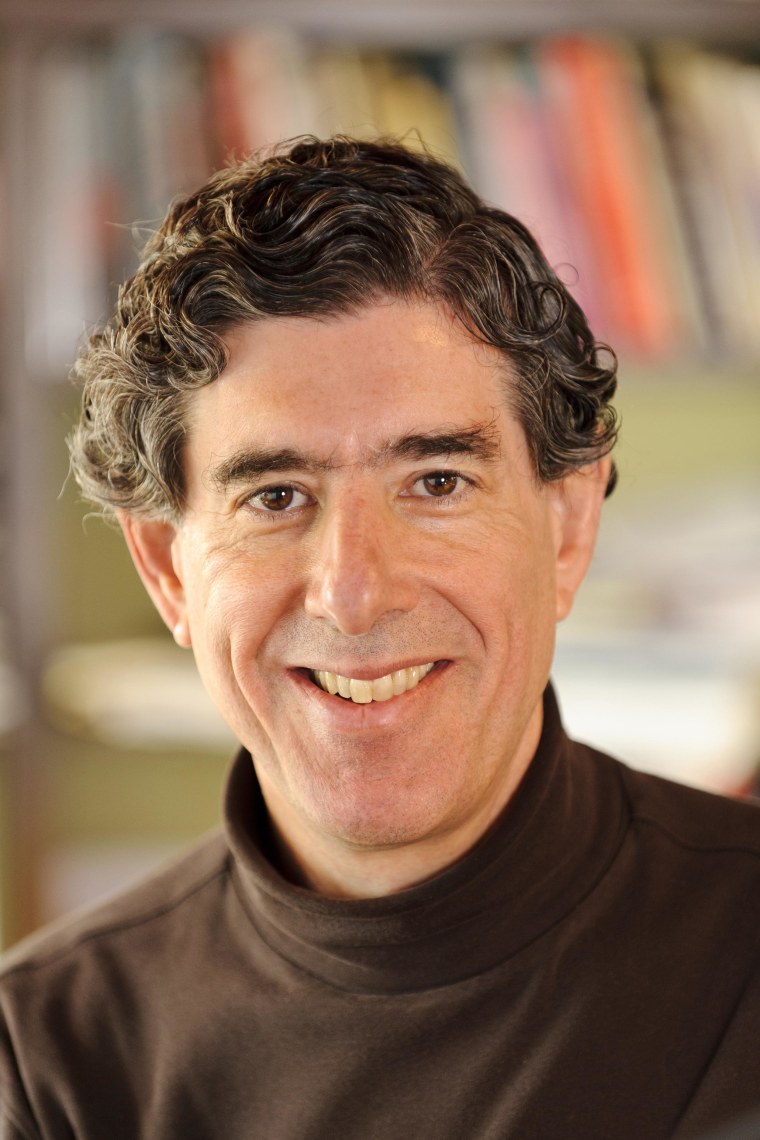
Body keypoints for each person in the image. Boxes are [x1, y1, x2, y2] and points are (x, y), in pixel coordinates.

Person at [0, 136, 758, 1140]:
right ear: (168, 569)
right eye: (276, 497)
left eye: (435, 483)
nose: (355, 594)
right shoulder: (47, 1057)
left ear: (567, 524)